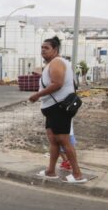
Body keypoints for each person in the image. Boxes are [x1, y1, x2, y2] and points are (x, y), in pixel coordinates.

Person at [28, 36, 86, 183]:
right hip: (51, 109)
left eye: (46, 48)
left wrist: (37, 95)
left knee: (64, 141)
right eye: (41, 47)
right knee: (53, 140)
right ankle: (50, 170)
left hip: (59, 108)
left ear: (55, 49)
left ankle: (77, 174)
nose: (43, 50)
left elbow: (57, 83)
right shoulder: (52, 63)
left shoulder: (57, 62)